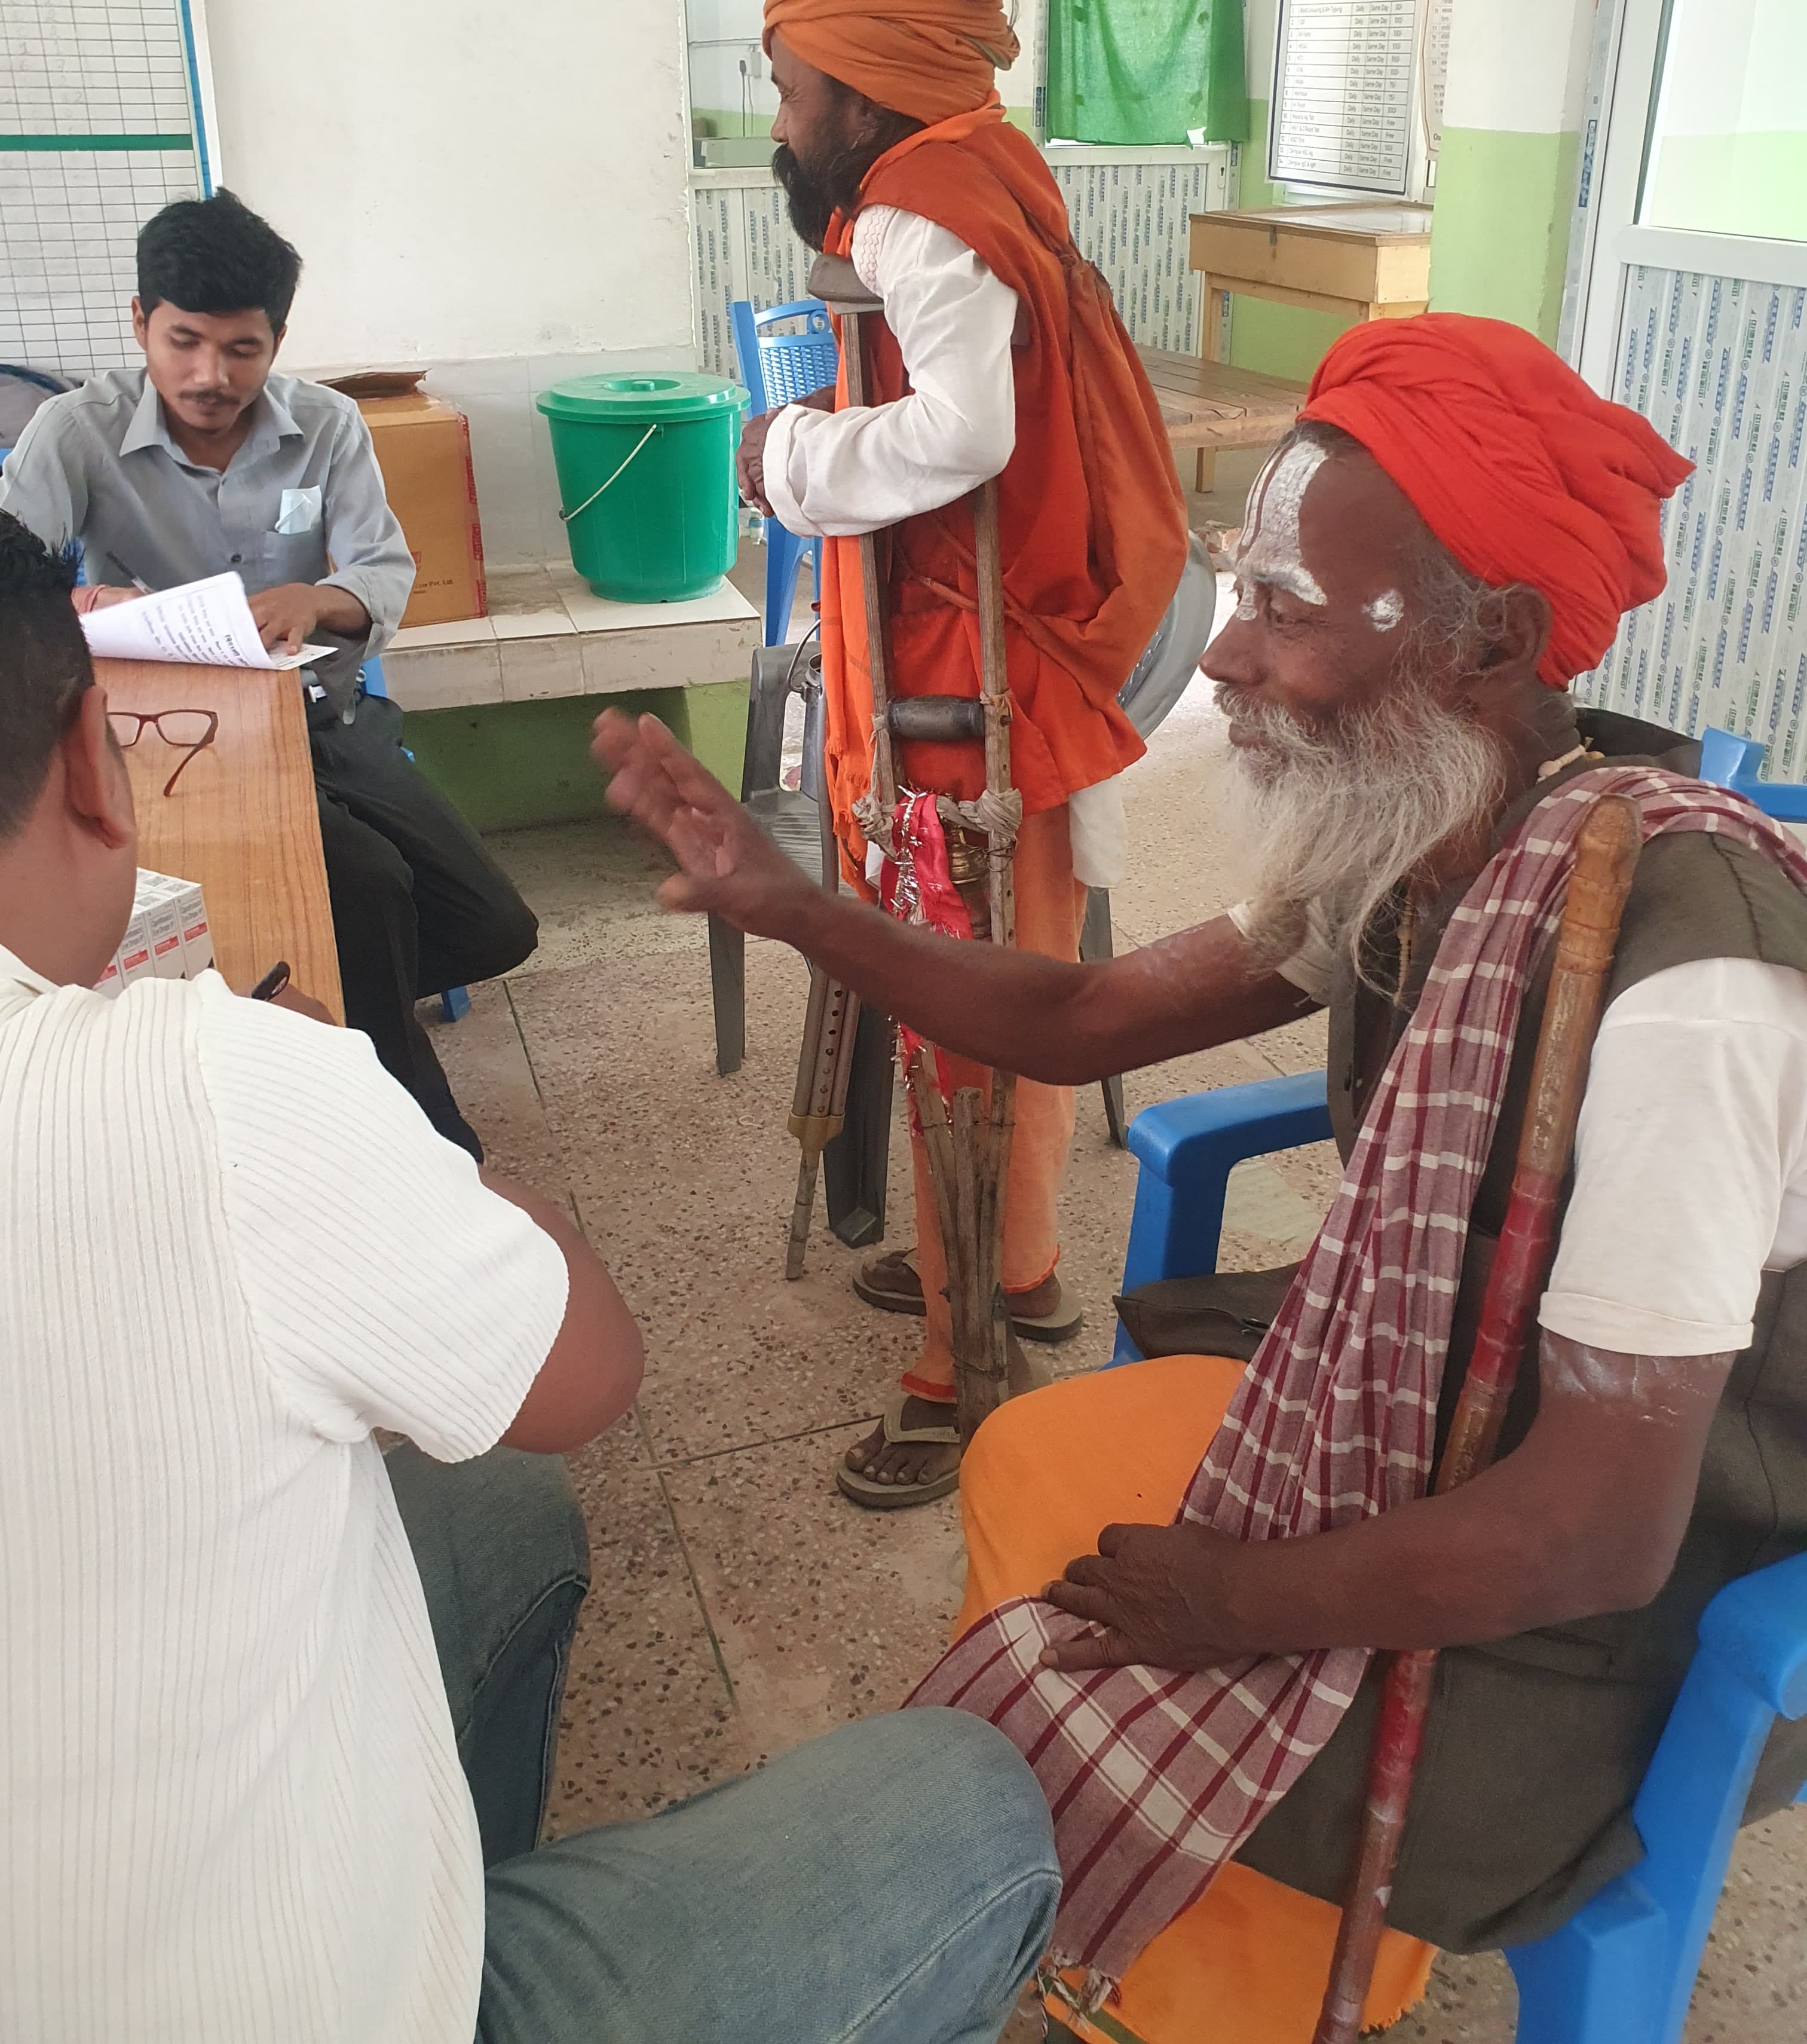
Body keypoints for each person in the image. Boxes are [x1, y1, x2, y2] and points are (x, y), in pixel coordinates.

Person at [598, 313, 1807, 2043]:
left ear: (1497, 643)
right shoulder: (1427, 829)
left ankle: (1217, 1982)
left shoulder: (1684, 984)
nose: (1223, 659)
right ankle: (1133, 1933)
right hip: (1453, 1442)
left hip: (1638, 1604)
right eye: (1242, 590)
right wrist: (782, 896)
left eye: (1285, 613)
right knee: (1040, 1473)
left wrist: (1237, 1599)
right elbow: (1083, 1014)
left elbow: (1604, 1528)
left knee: (1131, 1612)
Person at [0, 507, 1059, 2044]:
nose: (1232, 646)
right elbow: (592, 1375)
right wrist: (375, 1127)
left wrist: (795, 903)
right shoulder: (204, 1087)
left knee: (491, 1508)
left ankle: (451, 1888)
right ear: (102, 767)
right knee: (972, 1801)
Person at [743, 0, 1189, 1507]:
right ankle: (1016, 1267)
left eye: (790, 82)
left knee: (960, 1019)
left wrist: (789, 459)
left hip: (971, 689)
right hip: (1009, 660)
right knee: (1024, 989)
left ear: (861, 87)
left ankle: (958, 1371)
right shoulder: (986, 158)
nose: (778, 113)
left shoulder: (918, 210)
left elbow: (966, 432)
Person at [0, 189, 537, 1155]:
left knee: (498, 927)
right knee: (369, 884)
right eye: (185, 343)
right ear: (142, 326)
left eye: (242, 348)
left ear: (278, 339)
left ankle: (325, 1013)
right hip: (175, 738)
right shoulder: (77, 431)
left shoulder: (326, 426)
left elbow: (385, 568)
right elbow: (14, 593)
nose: (212, 376)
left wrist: (316, 602)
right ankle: (419, 1133)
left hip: (318, 708)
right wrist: (93, 608)